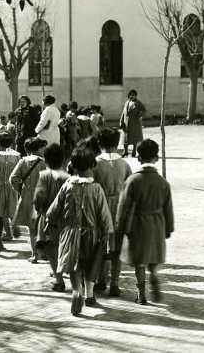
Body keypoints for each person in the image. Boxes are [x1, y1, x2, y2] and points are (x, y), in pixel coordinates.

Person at [46, 147, 113, 314]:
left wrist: (50, 221)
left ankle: (76, 290)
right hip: (90, 233)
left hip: (69, 231)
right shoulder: (96, 189)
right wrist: (107, 230)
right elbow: (103, 213)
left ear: (73, 166)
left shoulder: (67, 187)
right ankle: (89, 295)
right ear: (92, 165)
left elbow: (54, 209)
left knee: (74, 264)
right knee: (90, 263)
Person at [116, 139, 174, 305]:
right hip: (157, 223)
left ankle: (141, 294)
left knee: (139, 263)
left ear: (139, 158)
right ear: (156, 158)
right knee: (153, 258)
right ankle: (154, 275)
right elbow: (168, 208)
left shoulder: (133, 181)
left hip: (137, 224)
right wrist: (168, 228)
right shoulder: (163, 182)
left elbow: (123, 206)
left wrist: (120, 227)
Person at [93, 127, 133, 296]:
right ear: (116, 144)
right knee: (116, 247)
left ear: (99, 143)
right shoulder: (124, 163)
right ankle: (115, 283)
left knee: (100, 244)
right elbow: (129, 186)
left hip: (100, 205)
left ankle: (101, 279)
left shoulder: (95, 163)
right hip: (120, 206)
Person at [33, 144, 70, 292]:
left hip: (47, 216)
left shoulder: (44, 176)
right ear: (63, 160)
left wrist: (37, 209)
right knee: (64, 246)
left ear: (46, 161)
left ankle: (58, 279)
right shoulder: (68, 177)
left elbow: (39, 196)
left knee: (51, 248)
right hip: (65, 216)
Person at [10, 137, 48, 263]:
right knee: (42, 225)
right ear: (38, 149)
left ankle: (34, 254)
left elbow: (13, 178)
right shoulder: (43, 163)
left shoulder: (22, 162)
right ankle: (45, 253)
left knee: (31, 228)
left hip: (27, 196)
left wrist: (21, 190)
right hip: (42, 196)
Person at [120, 89, 147, 157]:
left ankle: (134, 151)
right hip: (126, 123)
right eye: (130, 95)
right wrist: (121, 120)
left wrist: (139, 117)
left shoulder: (138, 103)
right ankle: (125, 151)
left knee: (135, 137)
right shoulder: (126, 103)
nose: (131, 96)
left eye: (133, 95)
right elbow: (123, 113)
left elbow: (144, 110)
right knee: (125, 138)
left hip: (135, 122)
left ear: (135, 96)